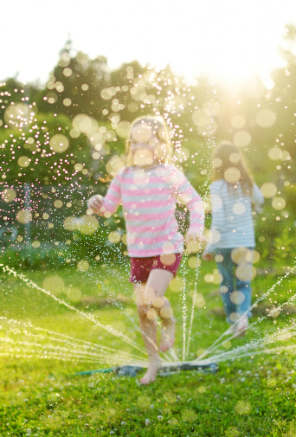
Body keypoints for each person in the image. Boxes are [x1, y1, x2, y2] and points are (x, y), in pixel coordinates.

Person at [87, 116, 204, 384]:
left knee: (150, 298)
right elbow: (108, 208)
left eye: (147, 140)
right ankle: (154, 362)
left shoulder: (169, 174)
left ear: (161, 143)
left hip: (167, 248)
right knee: (142, 309)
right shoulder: (124, 176)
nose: (140, 146)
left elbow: (195, 202)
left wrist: (195, 228)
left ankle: (169, 321)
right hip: (138, 253)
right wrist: (96, 204)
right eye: (135, 140)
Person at [202, 142, 263, 337]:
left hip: (225, 245)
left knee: (227, 285)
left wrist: (209, 247)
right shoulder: (246, 184)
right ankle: (243, 317)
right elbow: (260, 199)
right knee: (244, 284)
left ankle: (234, 323)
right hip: (245, 243)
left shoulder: (216, 187)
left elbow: (218, 220)